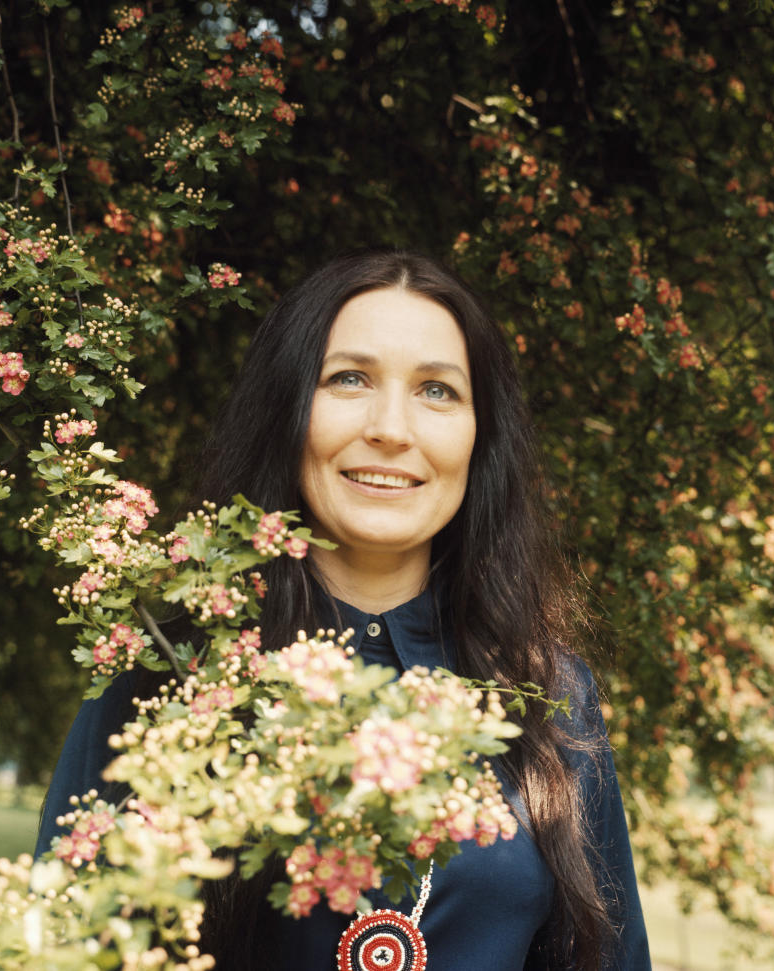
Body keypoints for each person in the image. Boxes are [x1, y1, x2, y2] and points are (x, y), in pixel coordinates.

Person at [36, 249, 651, 970]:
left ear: (480, 435)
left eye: (438, 391)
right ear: (289, 409)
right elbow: (65, 939)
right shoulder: (170, 666)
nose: (392, 427)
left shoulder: (550, 692)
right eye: (349, 379)